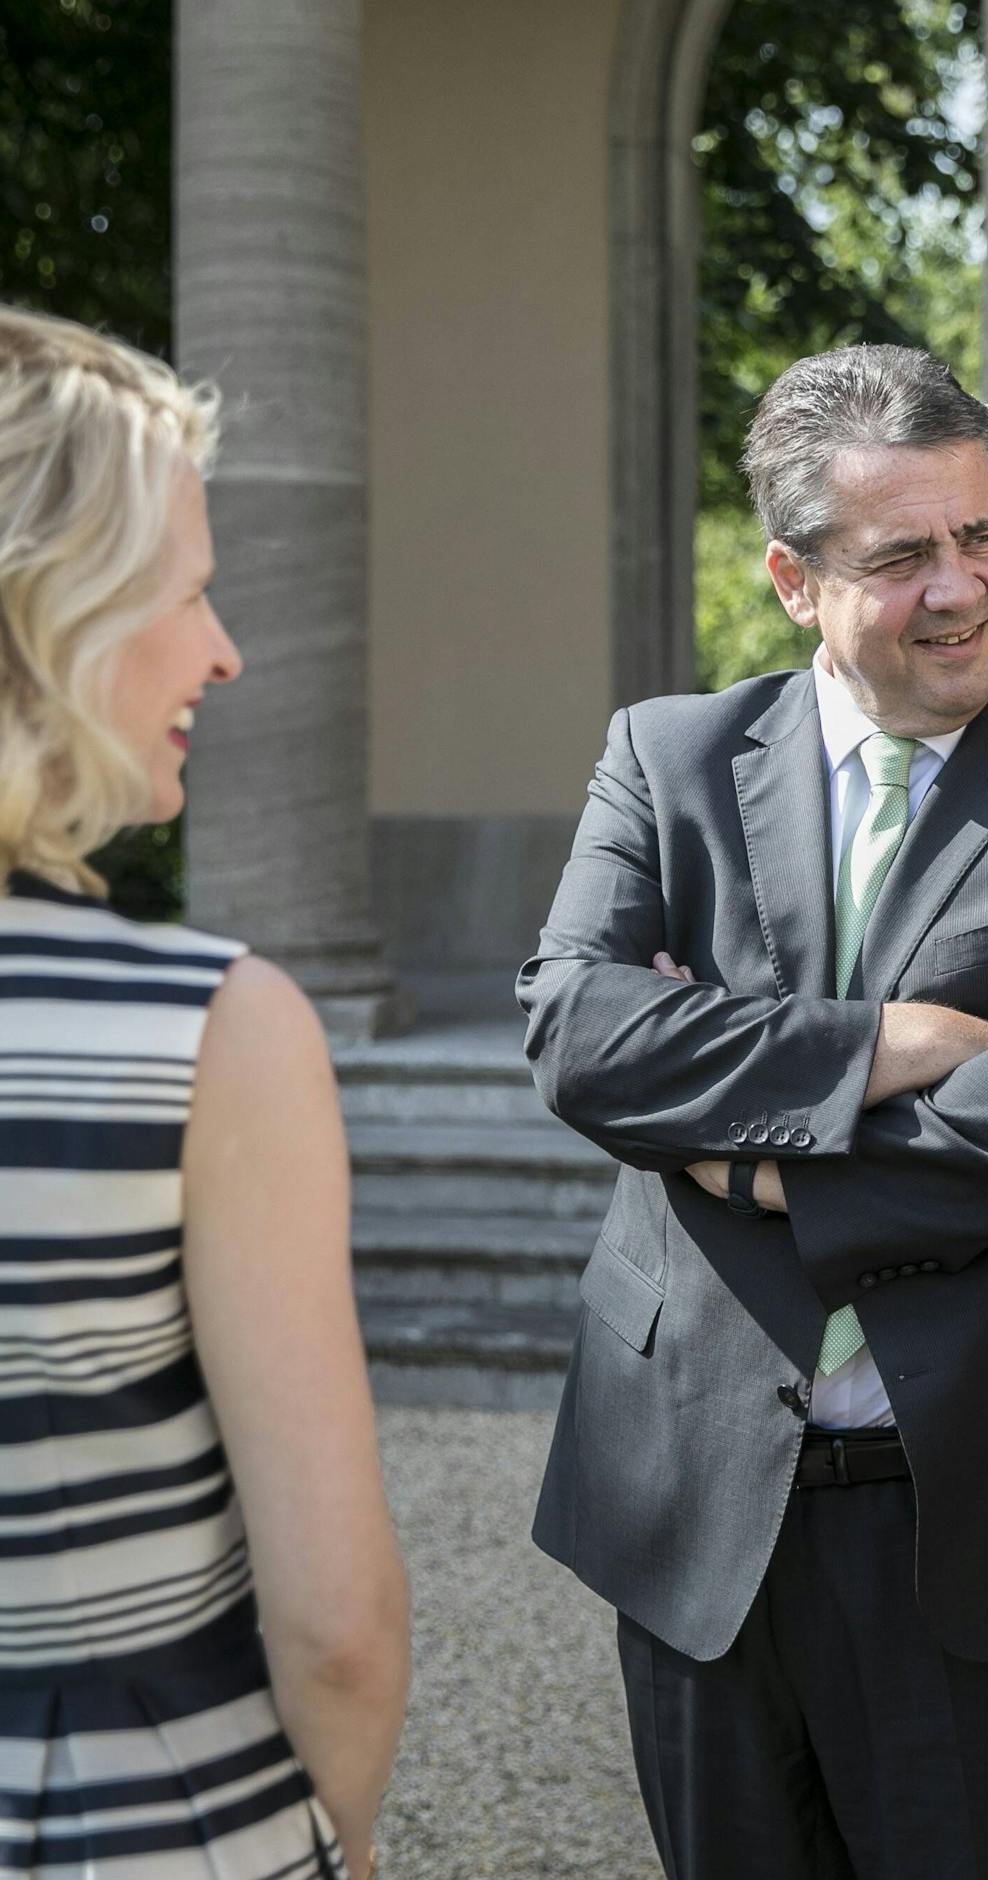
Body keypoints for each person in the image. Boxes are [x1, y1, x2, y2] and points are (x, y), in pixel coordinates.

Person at [520, 343, 988, 1878]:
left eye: (981, 536)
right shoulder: (669, 759)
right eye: (902, 555)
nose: (961, 588)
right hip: (704, 1511)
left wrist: (771, 1173)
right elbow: (580, 1029)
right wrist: (885, 1041)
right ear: (792, 578)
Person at [0, 308, 408, 1878]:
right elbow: (341, 1625)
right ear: (58, 618)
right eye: (186, 590)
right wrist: (345, 1843)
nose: (225, 648)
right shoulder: (210, 1031)